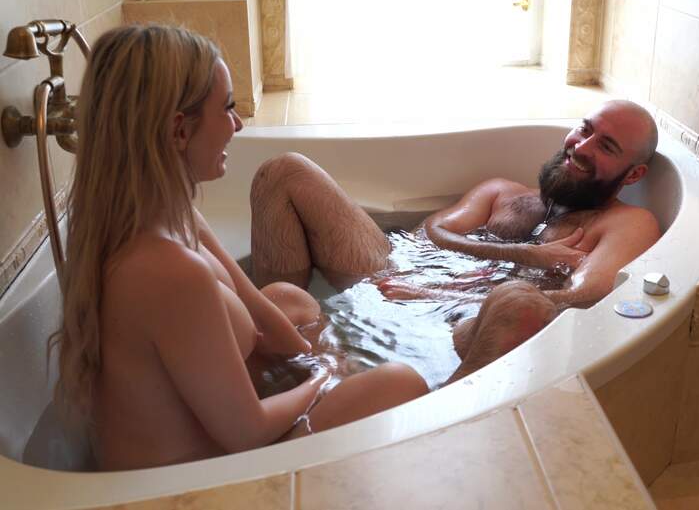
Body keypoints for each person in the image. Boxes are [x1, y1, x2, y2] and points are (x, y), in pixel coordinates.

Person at [51, 25, 427, 471]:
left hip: (217, 442)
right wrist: (324, 380)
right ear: (178, 131)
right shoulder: (165, 272)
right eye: (228, 108)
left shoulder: (171, 220)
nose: (239, 124)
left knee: (287, 299)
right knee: (399, 384)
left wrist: (319, 360)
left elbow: (260, 314)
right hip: (191, 485)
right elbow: (248, 433)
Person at [251, 100, 661, 382]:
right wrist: (523, 252)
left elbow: (583, 296)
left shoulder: (626, 222)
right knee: (285, 171)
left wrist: (440, 296)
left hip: (461, 323)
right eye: (585, 129)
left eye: (606, 146)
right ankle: (272, 335)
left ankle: (430, 419)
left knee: (520, 303)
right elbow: (432, 231)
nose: (581, 147)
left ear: (633, 174)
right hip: (393, 270)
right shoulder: (503, 192)